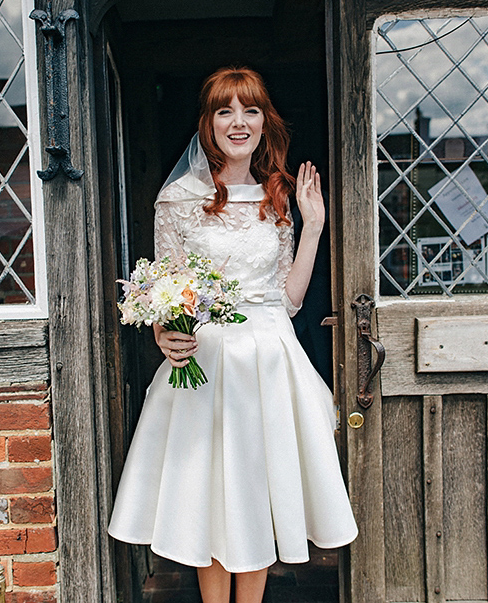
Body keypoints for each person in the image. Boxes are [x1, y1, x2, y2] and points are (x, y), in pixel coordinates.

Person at [108, 67, 357, 603]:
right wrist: (162, 332)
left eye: (250, 110)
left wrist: (313, 226)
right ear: (208, 124)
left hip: (269, 358)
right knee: (216, 495)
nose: (238, 122)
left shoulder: (279, 196)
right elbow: (167, 290)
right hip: (209, 361)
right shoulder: (177, 199)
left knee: (255, 490)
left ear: (265, 122)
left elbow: (288, 300)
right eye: (225, 111)